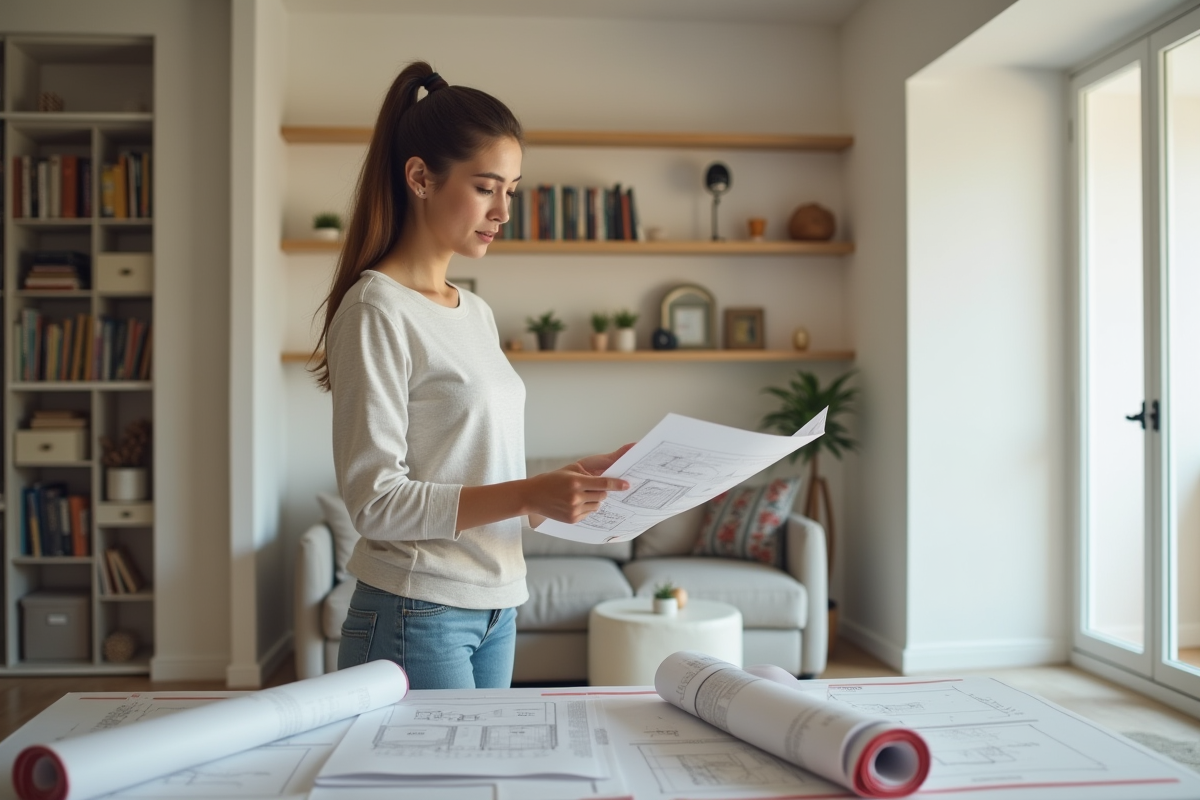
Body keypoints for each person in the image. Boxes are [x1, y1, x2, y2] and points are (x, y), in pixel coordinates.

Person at [311, 62, 631, 691]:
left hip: (498, 604)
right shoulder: (376, 308)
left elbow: (478, 473)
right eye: (487, 187)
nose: (502, 209)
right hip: (416, 609)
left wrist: (565, 486)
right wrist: (525, 492)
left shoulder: (475, 310)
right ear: (420, 177)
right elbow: (374, 502)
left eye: (511, 189)